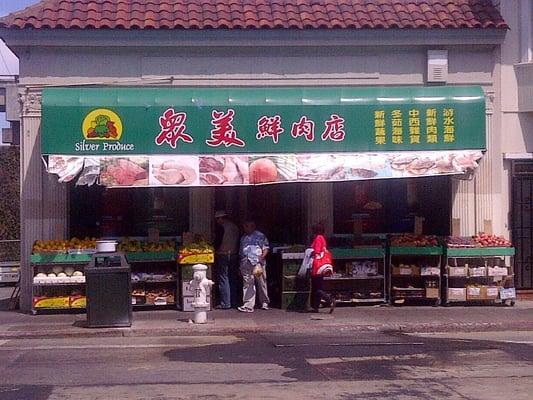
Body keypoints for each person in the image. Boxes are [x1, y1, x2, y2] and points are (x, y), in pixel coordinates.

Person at [238, 219, 270, 313]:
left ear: (252, 226)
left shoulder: (260, 236)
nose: (246, 228)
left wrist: (262, 257)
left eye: (247, 226)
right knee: (248, 283)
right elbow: (241, 251)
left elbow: (266, 247)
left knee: (261, 282)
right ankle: (248, 305)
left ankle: (264, 302)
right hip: (245, 263)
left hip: (257, 263)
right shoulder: (243, 238)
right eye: (245, 226)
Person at [214, 210, 240, 309]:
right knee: (232, 278)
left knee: (223, 278)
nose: (217, 221)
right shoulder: (234, 227)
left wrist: (214, 249)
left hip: (223, 254)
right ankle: (234, 301)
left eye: (217, 219)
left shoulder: (222, 228)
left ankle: (225, 303)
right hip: (233, 254)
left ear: (221, 218)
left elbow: (218, 242)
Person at [310, 223, 336, 313]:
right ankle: (315, 307)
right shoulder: (323, 238)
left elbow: (317, 252)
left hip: (317, 267)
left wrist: (311, 253)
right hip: (321, 267)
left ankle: (329, 300)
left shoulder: (318, 238)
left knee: (316, 288)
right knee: (318, 287)